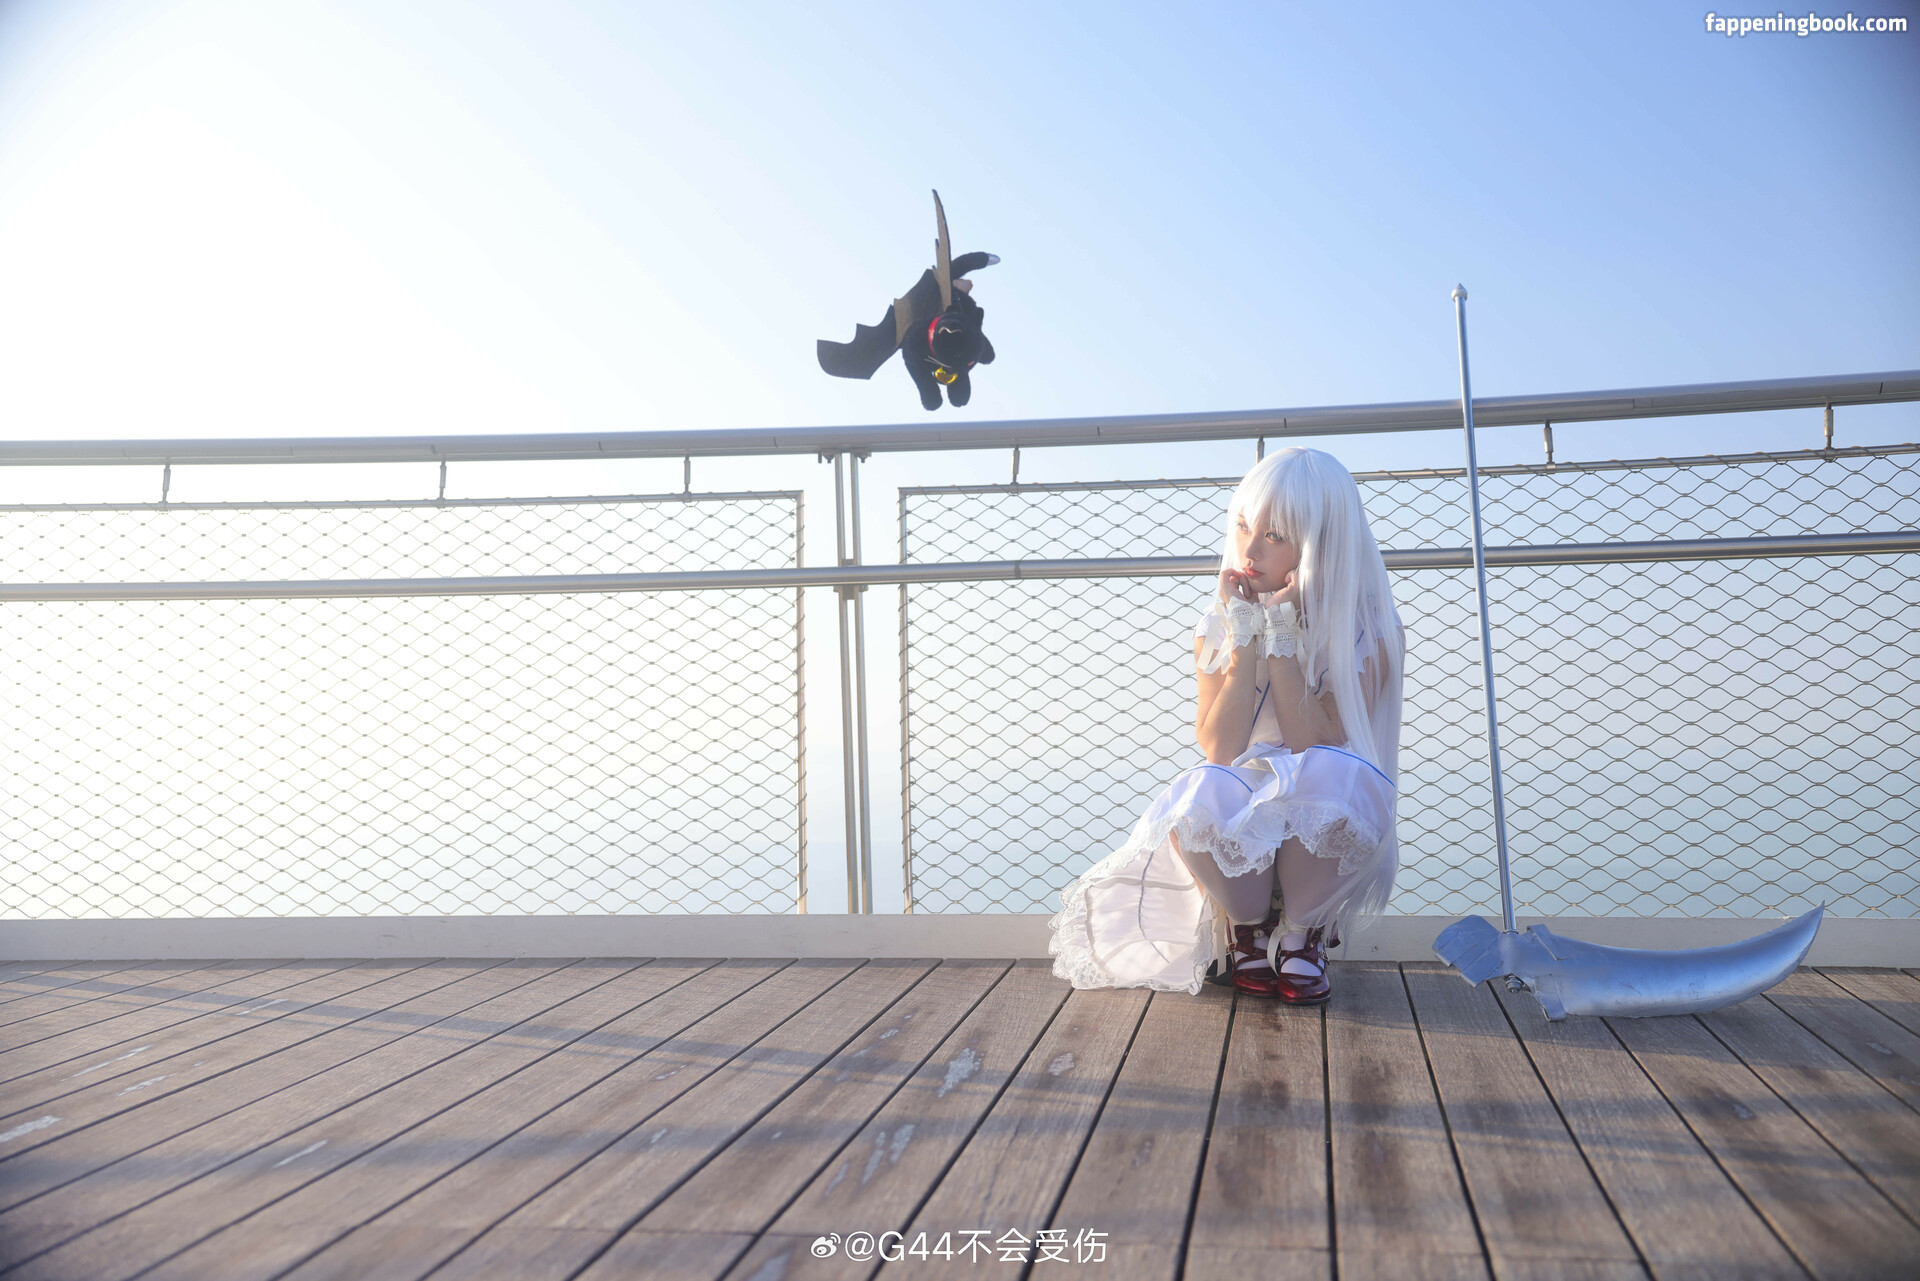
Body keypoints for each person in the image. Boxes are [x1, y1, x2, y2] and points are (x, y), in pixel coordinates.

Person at [1048, 447, 1405, 1002]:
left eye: (1274, 535)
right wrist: (1245, 636)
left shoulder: (1368, 629)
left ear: (1320, 544)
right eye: (1243, 526)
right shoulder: (1218, 623)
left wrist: (1281, 632)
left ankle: (1302, 934)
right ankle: (1248, 930)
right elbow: (1220, 747)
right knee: (1197, 791)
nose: (1249, 550)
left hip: (1323, 805)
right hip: (1248, 803)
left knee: (1334, 773)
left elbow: (1314, 745)